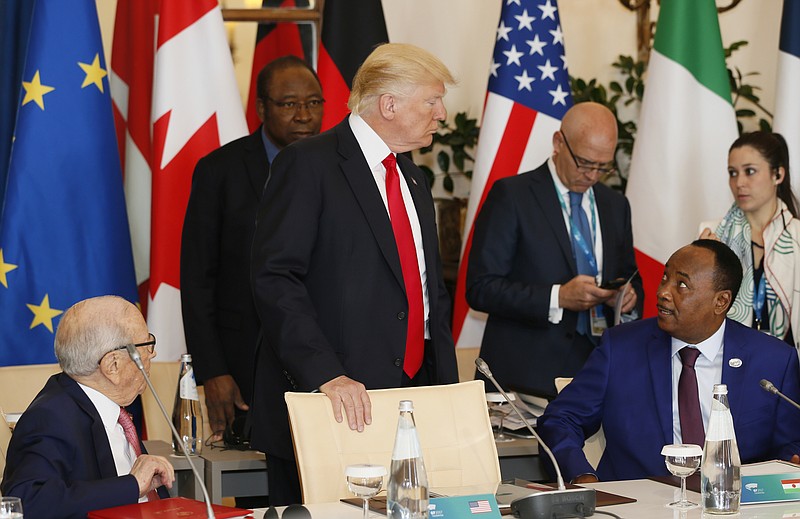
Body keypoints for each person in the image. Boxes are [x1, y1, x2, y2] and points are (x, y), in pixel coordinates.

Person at [249, 43, 460, 505]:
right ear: (389, 104)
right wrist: (325, 373)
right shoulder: (308, 164)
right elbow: (276, 278)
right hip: (332, 398)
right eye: (431, 101)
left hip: (412, 401)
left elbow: (427, 294)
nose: (441, 113)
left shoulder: (412, 177)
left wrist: (446, 393)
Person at [537, 240, 800, 483]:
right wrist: (580, 475)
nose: (663, 292)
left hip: (734, 505)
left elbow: (791, 443)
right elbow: (560, 420)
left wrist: (791, 464)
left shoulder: (773, 360)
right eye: (665, 278)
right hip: (639, 507)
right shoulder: (621, 348)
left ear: (721, 301)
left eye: (681, 285)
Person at [180, 56, 324, 440]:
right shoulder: (220, 171)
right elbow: (197, 279)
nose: (303, 115)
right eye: (289, 104)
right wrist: (212, 370)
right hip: (244, 366)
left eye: (313, 103)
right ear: (262, 108)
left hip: (323, 363)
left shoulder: (338, 170)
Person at [466, 102, 642, 399]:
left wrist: (628, 296)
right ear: (559, 142)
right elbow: (481, 288)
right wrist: (557, 297)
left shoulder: (615, 205)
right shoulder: (512, 196)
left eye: (603, 167)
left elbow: (629, 274)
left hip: (597, 373)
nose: (592, 175)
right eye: (585, 163)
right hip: (525, 379)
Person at [1, 296, 174, 519]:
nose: (153, 353)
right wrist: (131, 485)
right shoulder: (50, 418)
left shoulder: (111, 408)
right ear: (112, 365)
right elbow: (27, 502)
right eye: (146, 345)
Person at [700, 131, 800, 350]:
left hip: (788, 365)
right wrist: (702, 264)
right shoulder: (710, 234)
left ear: (778, 175)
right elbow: (697, 310)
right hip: (728, 360)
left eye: (750, 171)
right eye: (732, 173)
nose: (739, 183)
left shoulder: (797, 237)